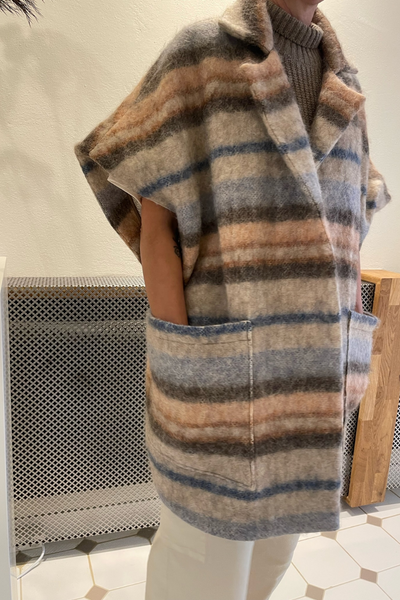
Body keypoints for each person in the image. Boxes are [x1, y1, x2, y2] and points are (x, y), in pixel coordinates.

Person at [74, 0, 391, 598]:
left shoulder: (345, 85)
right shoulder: (202, 54)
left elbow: (352, 219)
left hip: (308, 390)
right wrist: (183, 358)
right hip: (218, 389)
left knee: (270, 562)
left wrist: (348, 327)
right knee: (203, 573)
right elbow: (155, 222)